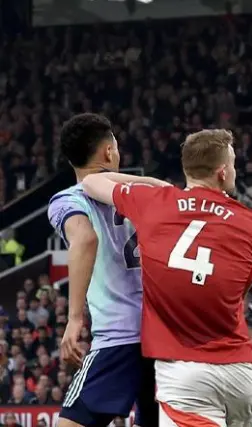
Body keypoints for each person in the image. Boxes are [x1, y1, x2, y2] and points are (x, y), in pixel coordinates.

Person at [81, 129, 252, 427]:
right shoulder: (250, 223)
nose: (234, 170)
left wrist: (152, 184)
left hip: (184, 373)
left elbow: (90, 181)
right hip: (240, 370)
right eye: (232, 164)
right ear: (222, 172)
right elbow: (240, 290)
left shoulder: (154, 201)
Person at [45, 113, 161, 427]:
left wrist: (73, 318)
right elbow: (166, 189)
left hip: (119, 336)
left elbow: (84, 238)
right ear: (109, 152)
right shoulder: (141, 194)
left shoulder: (68, 200)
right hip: (163, 335)